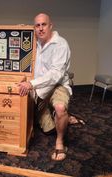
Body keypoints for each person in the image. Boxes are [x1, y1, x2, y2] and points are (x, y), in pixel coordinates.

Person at [18, 13, 73, 161]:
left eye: (44, 24)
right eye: (37, 25)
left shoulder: (61, 44)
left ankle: (60, 142)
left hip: (57, 85)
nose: (41, 28)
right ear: (34, 28)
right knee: (48, 129)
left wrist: (31, 84)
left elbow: (55, 74)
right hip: (40, 89)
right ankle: (64, 118)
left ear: (50, 26)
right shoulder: (33, 42)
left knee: (60, 108)